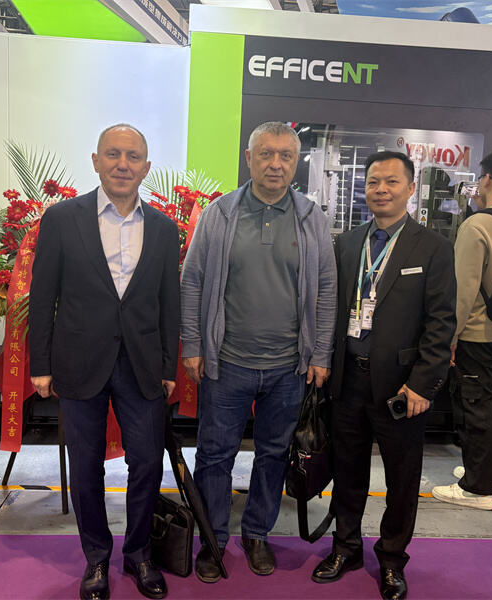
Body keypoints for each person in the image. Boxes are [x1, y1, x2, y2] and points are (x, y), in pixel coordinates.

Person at [180, 121, 337, 583]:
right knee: (214, 455)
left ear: (295, 162)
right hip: (226, 362)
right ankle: (212, 539)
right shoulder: (220, 214)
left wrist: (321, 353)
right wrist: (194, 344)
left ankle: (257, 533)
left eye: (286, 156)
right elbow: (192, 281)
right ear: (249, 158)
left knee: (273, 454)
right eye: (266, 154)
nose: (276, 164)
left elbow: (327, 288)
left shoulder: (311, 217)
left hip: (289, 367)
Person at [29, 124, 180, 600]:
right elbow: (43, 296)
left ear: (146, 168)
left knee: (147, 464)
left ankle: (139, 554)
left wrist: (169, 367)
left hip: (142, 365)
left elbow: (168, 302)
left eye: (133, 157)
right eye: (113, 154)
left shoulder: (164, 228)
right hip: (79, 362)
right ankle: (96, 558)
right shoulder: (61, 219)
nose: (122, 164)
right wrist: (40, 364)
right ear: (96, 161)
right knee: (86, 467)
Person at [312, 151, 456, 600]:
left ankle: (392, 559)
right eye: (373, 181)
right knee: (347, 470)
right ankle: (346, 548)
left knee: (402, 479)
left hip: (401, 386)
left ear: (410, 188)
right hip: (348, 380)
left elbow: (442, 322)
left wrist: (423, 384)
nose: (381, 189)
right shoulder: (348, 243)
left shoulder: (432, 247)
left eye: (392, 182)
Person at [431, 147, 492, 511]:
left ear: (486, 179)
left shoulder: (477, 226)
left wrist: (450, 337)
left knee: (476, 406)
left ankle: (477, 489)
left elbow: (463, 290)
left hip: (478, 332)